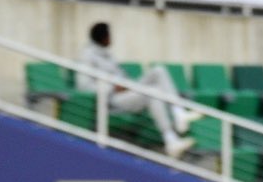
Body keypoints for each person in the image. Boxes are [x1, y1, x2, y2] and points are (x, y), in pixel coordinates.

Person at [78, 21, 194, 159]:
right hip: (114, 100)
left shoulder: (108, 55)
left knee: (158, 71)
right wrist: (112, 87)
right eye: (109, 35)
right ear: (102, 37)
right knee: (153, 92)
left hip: (127, 89)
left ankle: (178, 112)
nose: (111, 39)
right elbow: (84, 85)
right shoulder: (88, 56)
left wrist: (125, 84)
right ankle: (170, 139)